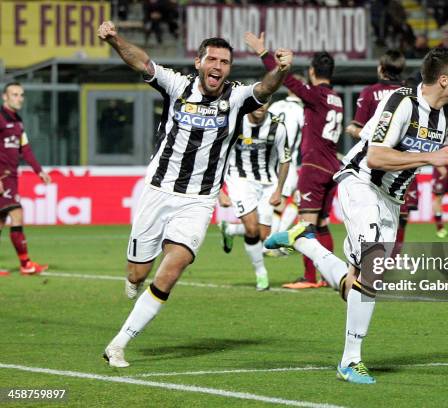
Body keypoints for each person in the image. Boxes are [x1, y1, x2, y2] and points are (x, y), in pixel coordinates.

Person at [266, 47, 448, 383]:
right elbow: (375, 157)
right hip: (360, 182)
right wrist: (429, 159)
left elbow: (412, 158)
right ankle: (350, 361)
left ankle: (304, 241)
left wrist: (426, 161)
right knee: (372, 266)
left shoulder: (446, 117)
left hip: (391, 199)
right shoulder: (402, 103)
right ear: (444, 80)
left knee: (356, 284)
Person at [97, 20, 292, 367]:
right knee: (136, 276)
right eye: (212, 60)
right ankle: (134, 279)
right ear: (199, 63)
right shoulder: (177, 86)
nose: (218, 66)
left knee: (175, 266)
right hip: (159, 191)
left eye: (225, 61)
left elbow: (265, 88)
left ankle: (118, 344)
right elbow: (142, 62)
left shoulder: (236, 97)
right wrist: (114, 39)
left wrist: (279, 69)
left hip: (199, 200)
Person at [245, 32, 342, 290]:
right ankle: (327, 275)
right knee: (321, 224)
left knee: (305, 225)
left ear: (311, 71)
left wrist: (264, 54)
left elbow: (286, 80)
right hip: (332, 165)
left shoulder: (316, 95)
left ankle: (310, 278)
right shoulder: (337, 99)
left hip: (314, 165)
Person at [345, 49, 412, 255]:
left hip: (375, 163)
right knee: (400, 214)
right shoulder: (410, 94)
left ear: (381, 68)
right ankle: (393, 258)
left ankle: (365, 261)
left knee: (371, 214)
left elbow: (361, 130)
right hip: (403, 163)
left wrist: (352, 130)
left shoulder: (369, 92)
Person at [219, 103, 291, 290]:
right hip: (239, 179)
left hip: (268, 182)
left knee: (263, 235)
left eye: (266, 101)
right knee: (251, 228)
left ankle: (230, 231)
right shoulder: (234, 122)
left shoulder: (278, 126)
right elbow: (217, 154)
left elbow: (285, 160)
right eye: (259, 101)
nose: (262, 106)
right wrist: (220, 190)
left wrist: (279, 190)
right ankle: (261, 274)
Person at [0, 83, 51, 277]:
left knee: (1, 220)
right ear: (5, 97)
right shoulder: (0, 118)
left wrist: (39, 171)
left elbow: (25, 150)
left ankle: (25, 264)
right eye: (14, 94)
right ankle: (25, 264)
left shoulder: (18, 121)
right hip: (2, 178)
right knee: (17, 213)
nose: (19, 98)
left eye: (21, 95)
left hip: (11, 177)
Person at [267, 86, 305, 239]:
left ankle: (277, 238)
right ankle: (273, 242)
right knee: (282, 202)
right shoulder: (302, 111)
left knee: (299, 197)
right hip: (287, 161)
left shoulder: (275, 105)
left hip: (270, 160)